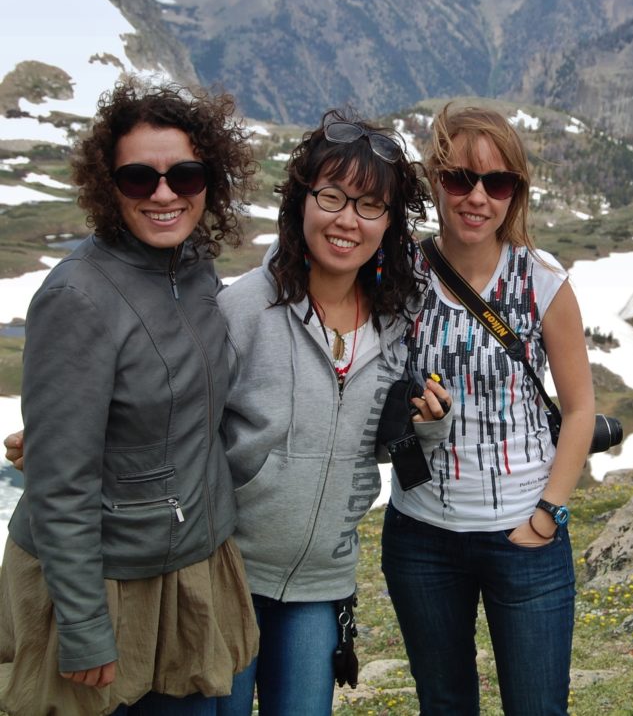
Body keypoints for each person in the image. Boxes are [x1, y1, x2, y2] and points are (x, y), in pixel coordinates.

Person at [0, 77, 260, 715]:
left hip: (189, 569)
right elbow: (60, 484)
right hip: (107, 585)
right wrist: (84, 625)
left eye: (186, 175)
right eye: (139, 178)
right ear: (108, 186)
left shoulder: (194, 269)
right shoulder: (76, 297)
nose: (165, 194)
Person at [216, 110, 453, 716]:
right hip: (227, 575)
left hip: (322, 585)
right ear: (301, 201)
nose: (348, 220)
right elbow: (184, 420)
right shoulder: (243, 308)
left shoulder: (395, 321)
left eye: (370, 206)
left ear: (389, 222)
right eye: (332, 197)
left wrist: (427, 428)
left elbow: (369, 443)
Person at [380, 104, 595, 715]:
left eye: (496, 182)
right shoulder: (399, 273)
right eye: (459, 178)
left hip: (524, 535)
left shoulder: (542, 280)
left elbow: (580, 409)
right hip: (421, 536)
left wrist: (548, 515)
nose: (477, 197)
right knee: (444, 705)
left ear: (514, 193)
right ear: (435, 180)